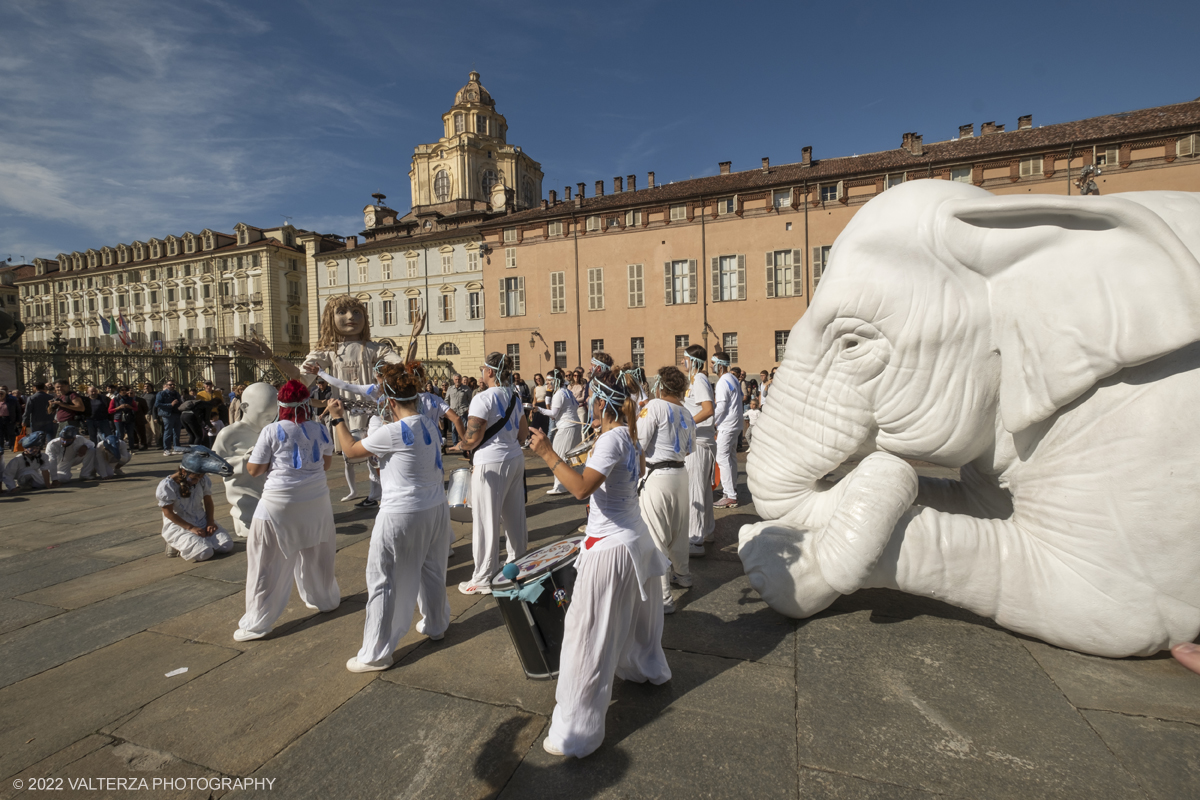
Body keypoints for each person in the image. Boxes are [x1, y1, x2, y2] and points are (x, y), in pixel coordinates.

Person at [528, 369, 672, 758]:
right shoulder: (628, 435)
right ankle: (646, 667)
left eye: (590, 399)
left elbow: (580, 490)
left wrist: (547, 454)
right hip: (634, 538)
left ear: (599, 402)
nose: (586, 404)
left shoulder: (612, 439)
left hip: (612, 549)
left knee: (586, 635)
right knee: (635, 619)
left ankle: (577, 732)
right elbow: (629, 474)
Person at [328, 364, 453, 672]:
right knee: (432, 569)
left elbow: (351, 450)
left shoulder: (393, 431)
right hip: (435, 506)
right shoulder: (428, 421)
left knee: (382, 578)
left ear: (392, 402)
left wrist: (336, 418)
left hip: (402, 512)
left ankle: (376, 653)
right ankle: (436, 624)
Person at [233, 294, 403, 504]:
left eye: (357, 312)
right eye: (342, 312)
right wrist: (273, 357)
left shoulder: (376, 348)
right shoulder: (327, 351)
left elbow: (400, 366)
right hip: (343, 412)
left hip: (375, 413)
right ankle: (361, 491)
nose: (351, 317)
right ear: (330, 319)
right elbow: (301, 380)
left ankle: (378, 493)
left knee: (375, 455)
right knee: (350, 457)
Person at [234, 380, 340, 641]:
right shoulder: (320, 428)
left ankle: (258, 621)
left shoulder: (271, 431)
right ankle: (324, 598)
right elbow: (325, 465)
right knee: (317, 554)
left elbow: (254, 470)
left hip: (279, 503)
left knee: (265, 563)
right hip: (316, 501)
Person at [452, 352, 529, 595]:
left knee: (486, 520)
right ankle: (519, 564)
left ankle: (484, 576)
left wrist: (461, 445)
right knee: (515, 517)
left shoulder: (483, 398)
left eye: (483, 368)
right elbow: (523, 434)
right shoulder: (514, 397)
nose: (481, 372)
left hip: (490, 463)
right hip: (515, 458)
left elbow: (472, 438)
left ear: (491, 372)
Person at [637, 366, 696, 613]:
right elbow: (690, 448)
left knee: (656, 536)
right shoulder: (688, 413)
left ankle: (663, 599)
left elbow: (639, 443)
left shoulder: (654, 406)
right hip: (681, 474)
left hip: (658, 475)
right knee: (679, 531)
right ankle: (683, 575)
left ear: (660, 385)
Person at [213, 382, 278, 538]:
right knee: (257, 529)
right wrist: (245, 461)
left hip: (271, 493)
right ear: (244, 407)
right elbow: (214, 465)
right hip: (245, 497)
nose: (270, 418)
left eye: (273, 414)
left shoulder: (272, 431)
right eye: (264, 414)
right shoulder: (229, 434)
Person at [158, 448, 236, 562]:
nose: (197, 480)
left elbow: (208, 502)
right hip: (180, 524)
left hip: (200, 520)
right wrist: (191, 528)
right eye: (195, 478)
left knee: (226, 546)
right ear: (184, 471)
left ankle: (202, 542)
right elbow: (168, 512)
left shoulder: (203, 480)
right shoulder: (167, 486)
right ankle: (175, 543)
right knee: (205, 553)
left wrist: (210, 521)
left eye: (200, 477)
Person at [680, 345, 715, 556]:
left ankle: (695, 539)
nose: (683, 362)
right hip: (699, 441)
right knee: (702, 489)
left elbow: (708, 409)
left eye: (685, 358)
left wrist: (688, 424)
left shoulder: (700, 380)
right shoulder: (695, 381)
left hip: (699, 442)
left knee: (695, 489)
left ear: (693, 360)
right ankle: (707, 531)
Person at [535, 368, 580, 496]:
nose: (547, 383)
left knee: (558, 456)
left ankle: (560, 486)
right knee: (571, 457)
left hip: (567, 427)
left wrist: (538, 409)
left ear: (555, 381)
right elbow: (576, 406)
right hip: (574, 426)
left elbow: (553, 414)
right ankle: (574, 482)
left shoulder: (559, 393)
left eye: (549, 381)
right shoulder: (567, 392)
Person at [711, 352, 743, 509]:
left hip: (727, 425)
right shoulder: (733, 379)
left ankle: (730, 495)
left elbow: (722, 406)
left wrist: (712, 423)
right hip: (735, 424)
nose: (711, 365)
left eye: (713, 362)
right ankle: (732, 489)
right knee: (731, 457)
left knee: (722, 458)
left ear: (720, 365)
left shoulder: (723, 381)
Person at [155, 379, 184, 455]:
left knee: (177, 432)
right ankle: (166, 449)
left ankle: (176, 448)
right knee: (168, 432)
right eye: (170, 385)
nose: (172, 386)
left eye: (173, 385)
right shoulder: (161, 394)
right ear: (166, 386)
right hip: (167, 415)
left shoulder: (176, 394)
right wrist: (170, 405)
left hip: (177, 414)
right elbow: (157, 404)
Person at [445, 374, 471, 448]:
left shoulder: (466, 389)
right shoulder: (450, 389)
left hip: (463, 411)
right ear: (453, 380)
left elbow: (470, 400)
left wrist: (468, 409)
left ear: (461, 380)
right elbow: (446, 400)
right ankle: (455, 444)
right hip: (454, 412)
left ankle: (465, 443)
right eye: (456, 379)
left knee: (465, 428)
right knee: (454, 429)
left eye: (459, 379)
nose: (457, 381)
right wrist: (447, 410)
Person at [141, 382, 162, 449]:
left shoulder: (155, 395)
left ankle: (158, 442)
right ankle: (148, 442)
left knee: (155, 429)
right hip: (145, 414)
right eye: (145, 386)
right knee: (147, 430)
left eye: (148, 386)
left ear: (151, 387)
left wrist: (156, 415)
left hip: (152, 414)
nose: (146, 387)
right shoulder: (143, 395)